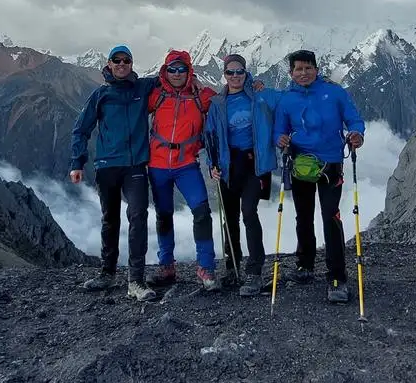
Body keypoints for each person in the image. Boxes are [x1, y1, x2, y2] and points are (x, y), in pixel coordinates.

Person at [273, 48, 365, 303]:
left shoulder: (335, 93)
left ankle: (337, 276)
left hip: (330, 164)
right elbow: (279, 130)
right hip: (300, 163)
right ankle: (305, 264)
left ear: (316, 69)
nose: (303, 73)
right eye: (298, 69)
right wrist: (280, 139)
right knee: (303, 215)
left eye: (308, 68)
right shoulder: (286, 100)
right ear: (291, 73)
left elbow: (354, 120)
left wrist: (356, 134)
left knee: (330, 216)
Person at [69, 44, 160, 301]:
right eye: (116, 60)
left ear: (132, 64)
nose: (121, 64)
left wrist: (194, 79)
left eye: (126, 60)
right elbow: (81, 129)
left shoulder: (143, 87)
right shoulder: (101, 94)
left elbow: (172, 75)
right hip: (107, 166)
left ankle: (136, 281)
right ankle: (107, 273)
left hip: (135, 166)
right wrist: (77, 162)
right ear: (109, 64)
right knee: (110, 219)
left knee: (138, 216)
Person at [203, 53, 280, 297]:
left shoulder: (259, 96)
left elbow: (288, 100)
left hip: (253, 164)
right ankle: (232, 267)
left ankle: (254, 272)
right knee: (229, 218)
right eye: (230, 72)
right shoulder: (217, 103)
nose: (235, 76)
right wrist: (212, 164)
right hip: (228, 166)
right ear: (224, 75)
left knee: (248, 213)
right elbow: (210, 136)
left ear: (246, 73)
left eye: (239, 71)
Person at [145, 49, 219, 291]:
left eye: (182, 69)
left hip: (186, 164)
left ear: (189, 71)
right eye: (172, 69)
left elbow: (227, 99)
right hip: (157, 164)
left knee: (202, 211)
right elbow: (132, 95)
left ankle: (206, 266)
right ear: (165, 72)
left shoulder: (201, 96)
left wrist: (255, 86)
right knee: (164, 215)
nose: (176, 74)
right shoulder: (156, 95)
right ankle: (166, 266)